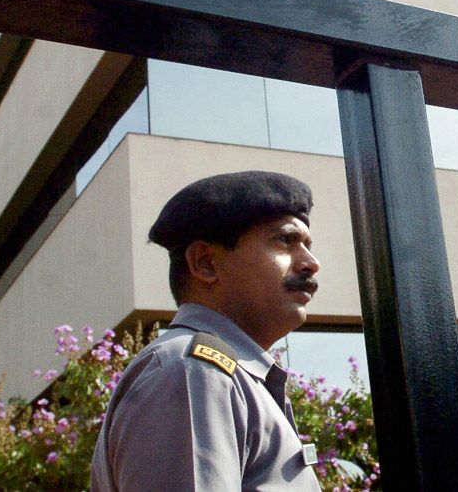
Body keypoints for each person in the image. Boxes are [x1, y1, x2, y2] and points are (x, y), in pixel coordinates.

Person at [91, 170, 323, 491]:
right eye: (285, 241)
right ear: (205, 263)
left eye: (307, 245)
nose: (311, 263)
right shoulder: (193, 372)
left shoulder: (232, 376)